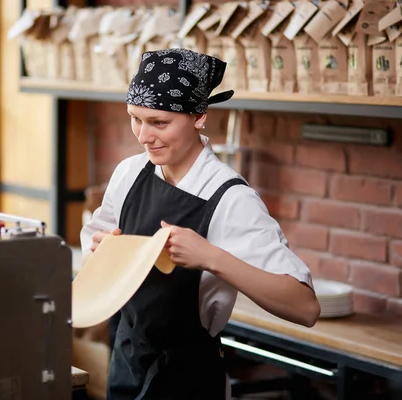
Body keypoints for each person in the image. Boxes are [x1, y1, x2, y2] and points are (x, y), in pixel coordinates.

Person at [79, 48, 320, 400]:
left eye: (159, 123)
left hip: (188, 379)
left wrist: (211, 257)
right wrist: (104, 255)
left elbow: (305, 307)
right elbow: (91, 253)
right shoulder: (129, 174)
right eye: (135, 118)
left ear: (199, 117)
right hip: (128, 361)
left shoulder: (231, 198)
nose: (143, 136)